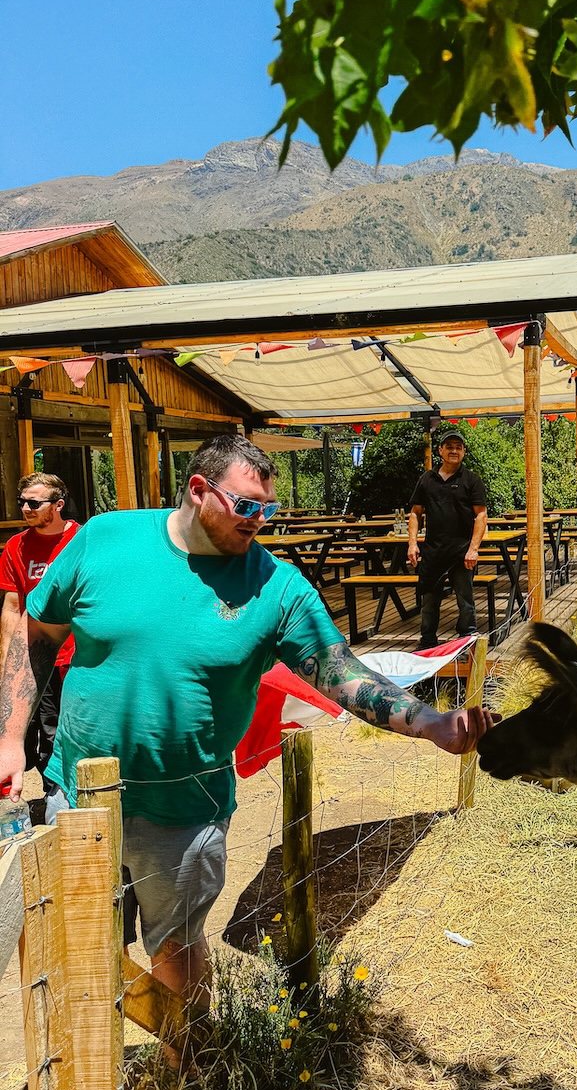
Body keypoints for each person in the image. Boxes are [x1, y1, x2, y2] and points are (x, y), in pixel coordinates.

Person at [0, 436, 495, 1047]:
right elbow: (37, 635)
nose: (259, 520)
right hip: (77, 798)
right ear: (199, 490)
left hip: (185, 810)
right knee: (76, 945)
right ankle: (90, 1076)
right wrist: (10, 739)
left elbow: (340, 672)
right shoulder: (104, 539)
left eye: (268, 508)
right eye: (247, 506)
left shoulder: (275, 587)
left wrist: (430, 723)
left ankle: (187, 1068)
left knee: (176, 951)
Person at [0, 473, 78, 802]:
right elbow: (12, 607)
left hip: (80, 658)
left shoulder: (82, 540)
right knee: (48, 733)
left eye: (34, 503)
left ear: (58, 505)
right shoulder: (16, 547)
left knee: (79, 729)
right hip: (38, 659)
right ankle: (53, 800)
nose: (26, 509)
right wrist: (7, 662)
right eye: (22, 502)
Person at [407, 430, 488, 649]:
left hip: (462, 552)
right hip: (433, 551)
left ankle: (467, 641)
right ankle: (427, 643)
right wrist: (412, 543)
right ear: (440, 450)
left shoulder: (471, 480)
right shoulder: (427, 479)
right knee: (429, 601)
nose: (454, 451)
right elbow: (415, 513)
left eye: (458, 447)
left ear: (464, 452)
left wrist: (473, 549)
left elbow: (481, 515)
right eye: (449, 446)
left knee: (465, 601)